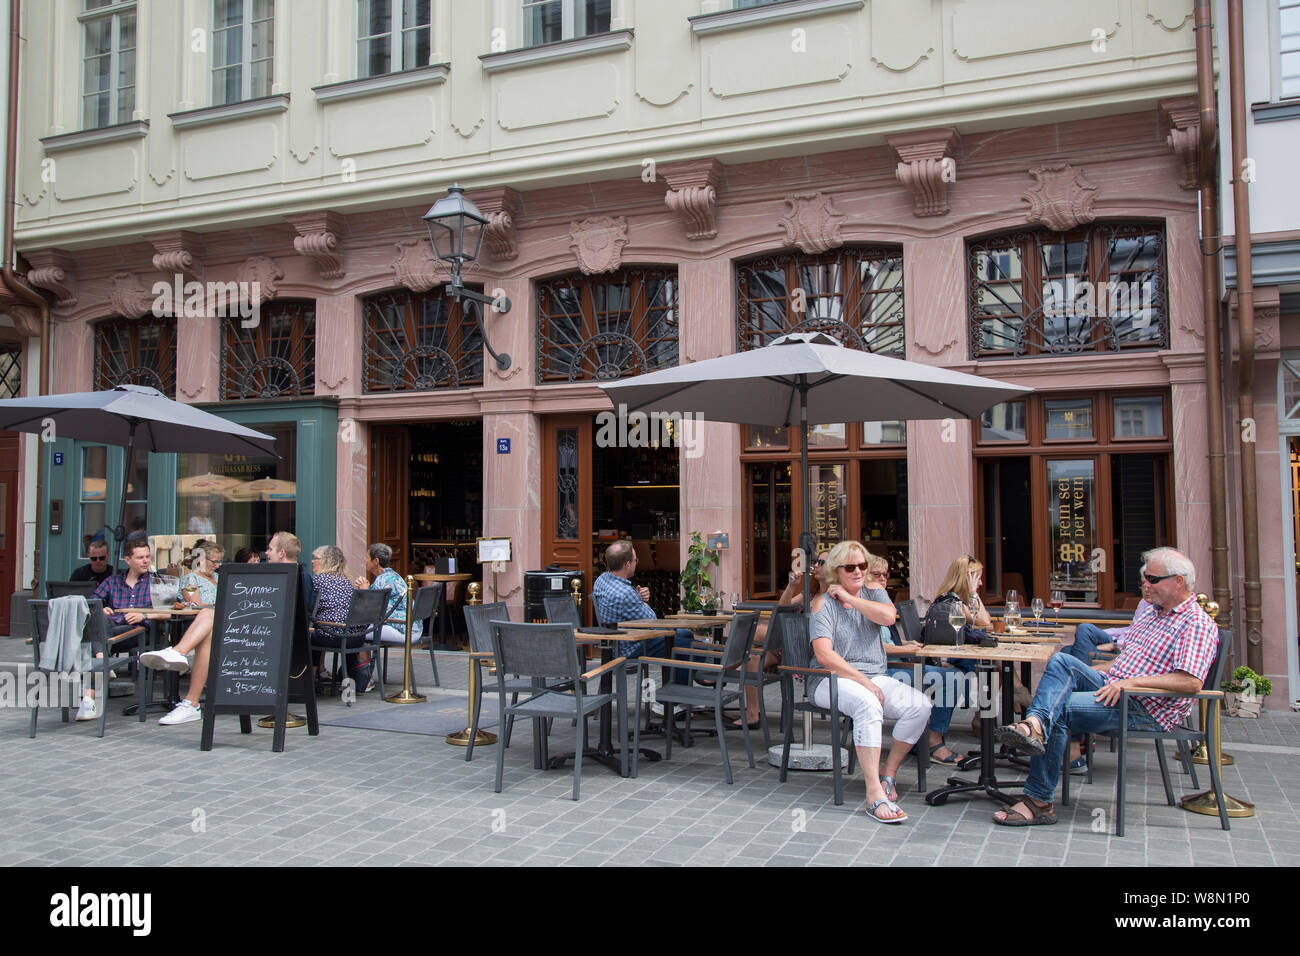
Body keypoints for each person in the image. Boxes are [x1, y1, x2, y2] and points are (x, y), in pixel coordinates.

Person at [991, 547, 1218, 826]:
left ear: (1178, 581)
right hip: (1116, 686)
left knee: (1059, 710)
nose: (1145, 584)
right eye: (1145, 578)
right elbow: (1129, 659)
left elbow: (1190, 681)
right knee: (1062, 662)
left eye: (1152, 579)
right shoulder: (1153, 614)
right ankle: (1034, 726)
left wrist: (1129, 683)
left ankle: (1038, 801)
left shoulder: (1195, 623)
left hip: (1145, 706)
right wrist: (1086, 672)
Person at [809, 540, 931, 824]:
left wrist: (850, 598)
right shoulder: (821, 603)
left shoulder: (875, 593)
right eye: (849, 567)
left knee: (920, 705)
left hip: (874, 675)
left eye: (862, 566)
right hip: (830, 679)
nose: (858, 572)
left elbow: (889, 618)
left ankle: (888, 773)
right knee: (868, 704)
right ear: (835, 571)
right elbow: (824, 655)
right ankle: (874, 794)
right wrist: (865, 681)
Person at [140, 530, 304, 725]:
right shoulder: (195, 579)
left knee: (209, 617)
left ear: (282, 553)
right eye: (213, 561)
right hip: (238, 629)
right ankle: (190, 701)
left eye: (269, 549)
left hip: (268, 637)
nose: (265, 553)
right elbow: (206, 603)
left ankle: (178, 655)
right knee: (209, 624)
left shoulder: (290, 576)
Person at [874, 552, 973, 765]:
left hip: (897, 664)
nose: (883, 578)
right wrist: (905, 650)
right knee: (953, 678)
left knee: (955, 674)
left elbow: (886, 643)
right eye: (876, 574)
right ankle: (933, 742)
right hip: (883, 672)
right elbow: (875, 648)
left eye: (885, 574)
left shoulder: (881, 603)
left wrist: (905, 646)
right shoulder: (866, 606)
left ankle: (922, 739)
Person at [735, 549, 828, 729]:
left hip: (807, 652)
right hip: (785, 647)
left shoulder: (832, 597)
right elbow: (782, 609)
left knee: (751, 630)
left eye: (821, 563)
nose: (816, 565)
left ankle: (721, 670)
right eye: (816, 561)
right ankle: (752, 714)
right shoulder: (810, 593)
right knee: (752, 658)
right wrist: (792, 586)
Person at [591, 540, 694, 684]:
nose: (636, 563)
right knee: (685, 647)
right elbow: (652, 621)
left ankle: (679, 693)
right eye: (635, 560)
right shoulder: (625, 593)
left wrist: (637, 598)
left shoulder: (602, 580)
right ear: (627, 564)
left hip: (617, 643)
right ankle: (669, 701)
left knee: (685, 634)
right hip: (630, 647)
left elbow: (625, 604)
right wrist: (642, 601)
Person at [78, 539, 157, 721]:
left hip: (137, 632)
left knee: (97, 635)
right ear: (127, 560)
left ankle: (90, 695)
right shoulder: (113, 581)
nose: (145, 561)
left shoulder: (155, 581)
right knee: (100, 618)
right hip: (112, 631)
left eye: (147, 556)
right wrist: (101, 608)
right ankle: (103, 662)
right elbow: (92, 604)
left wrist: (144, 616)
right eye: (140, 557)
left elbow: (170, 610)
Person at [312, 544, 372, 690]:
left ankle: (310, 682)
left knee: (309, 636)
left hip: (336, 635)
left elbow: (309, 607)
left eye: (316, 558)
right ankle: (347, 680)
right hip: (357, 637)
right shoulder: (346, 581)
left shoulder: (319, 580)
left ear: (327, 561)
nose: (313, 561)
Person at [354, 542, 420, 646]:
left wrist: (364, 591)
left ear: (376, 561)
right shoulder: (393, 575)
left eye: (367, 557)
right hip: (413, 627)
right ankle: (366, 662)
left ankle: (362, 662)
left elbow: (369, 612)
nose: (365, 560)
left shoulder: (382, 581)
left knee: (354, 633)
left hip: (403, 629)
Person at [179, 541, 223, 607]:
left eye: (219, 562)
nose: (217, 566)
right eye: (214, 562)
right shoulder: (191, 579)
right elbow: (195, 606)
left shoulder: (218, 577)